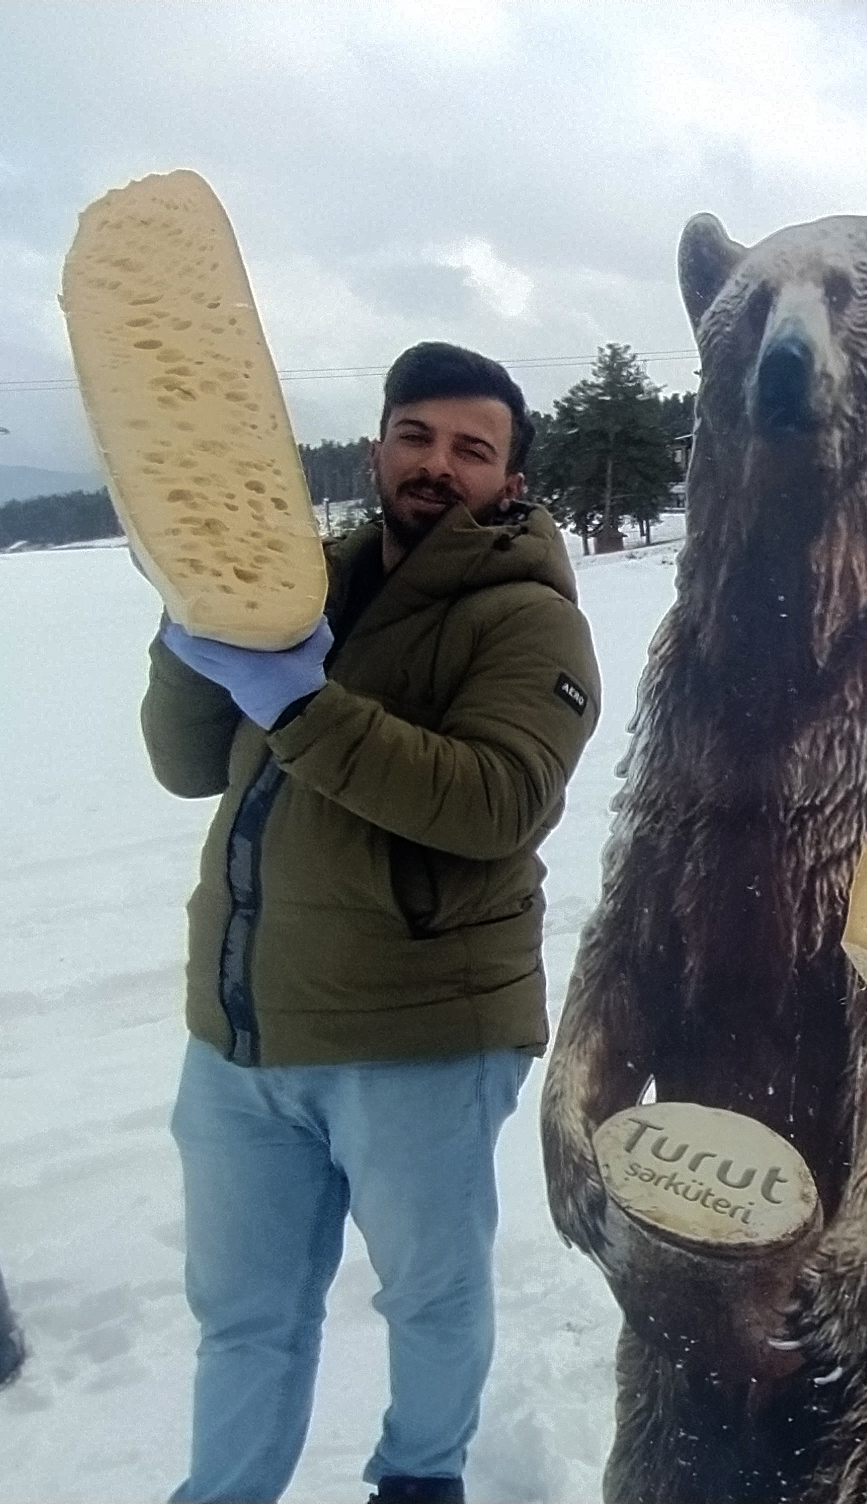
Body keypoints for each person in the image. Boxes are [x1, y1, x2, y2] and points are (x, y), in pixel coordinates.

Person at [144, 343, 602, 1504]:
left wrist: (302, 699)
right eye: (418, 436)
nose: (438, 465)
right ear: (378, 446)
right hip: (244, 1028)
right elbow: (187, 763)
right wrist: (189, 627)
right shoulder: (303, 584)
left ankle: (420, 1477)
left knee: (427, 1295)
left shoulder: (529, 623)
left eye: (471, 448)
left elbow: (491, 802)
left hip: (420, 1033)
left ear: (510, 479)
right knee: (243, 1315)